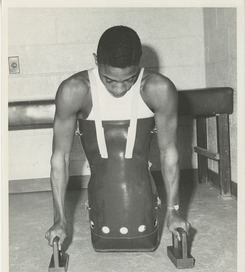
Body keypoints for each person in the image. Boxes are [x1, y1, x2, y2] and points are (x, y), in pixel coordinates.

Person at [45, 25, 190, 251]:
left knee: (145, 235)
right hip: (101, 194)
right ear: (95, 60)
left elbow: (168, 152)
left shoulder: (158, 88)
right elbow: (59, 158)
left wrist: (173, 212)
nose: (119, 88)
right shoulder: (74, 90)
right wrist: (60, 220)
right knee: (103, 237)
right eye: (109, 80)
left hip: (142, 189)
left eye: (129, 79)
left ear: (140, 63)